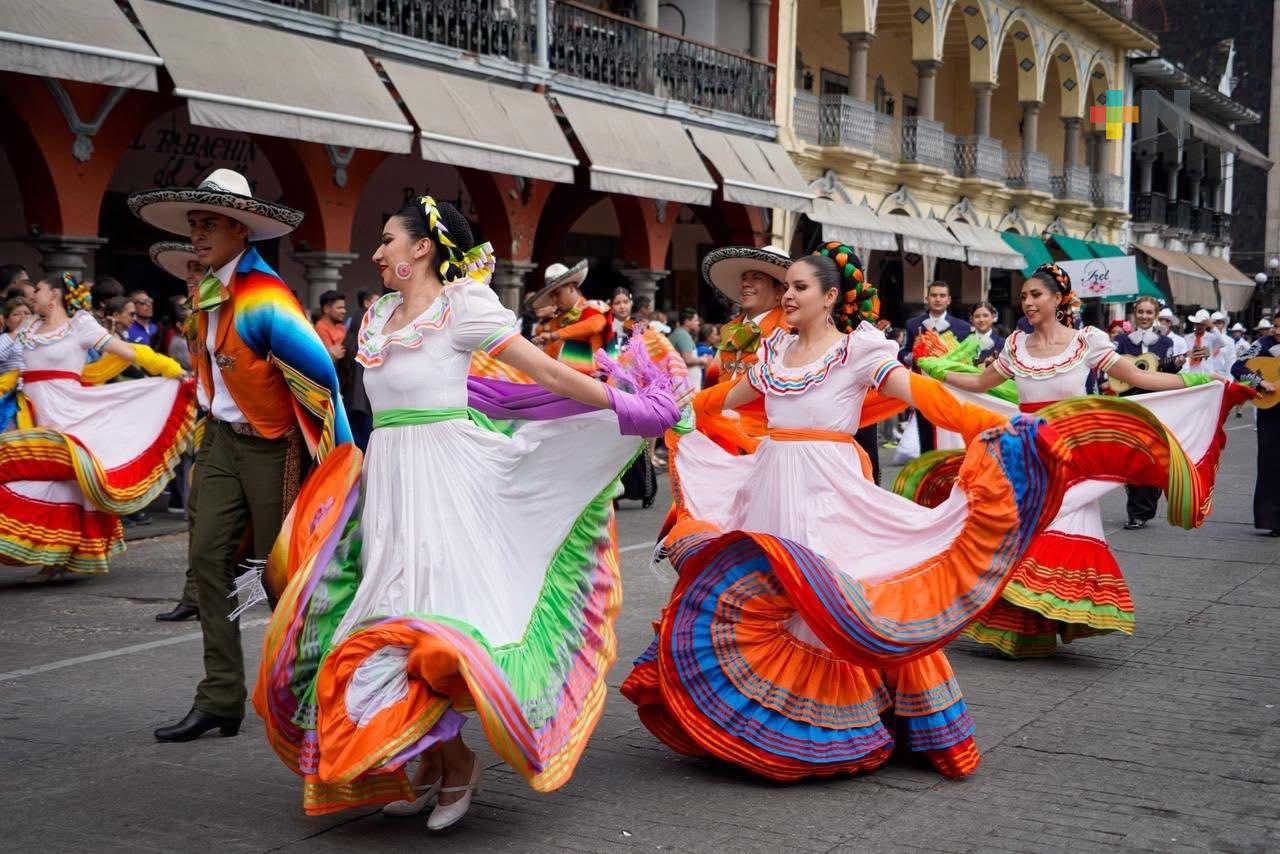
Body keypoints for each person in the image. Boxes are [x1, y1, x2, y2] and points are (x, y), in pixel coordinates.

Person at [623, 246, 1147, 782]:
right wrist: (665, 407)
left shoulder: (858, 351)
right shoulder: (774, 349)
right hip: (769, 485)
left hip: (827, 490)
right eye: (788, 288)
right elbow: (720, 399)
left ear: (829, 297)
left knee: (834, 597)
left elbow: (922, 394)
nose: (789, 296)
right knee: (769, 595)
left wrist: (980, 427)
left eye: (801, 287)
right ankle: (745, 724)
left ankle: (826, 733)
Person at [253, 196, 680, 827]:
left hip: (451, 483)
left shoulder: (466, 307)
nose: (377, 251)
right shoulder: (379, 316)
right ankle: (429, 758)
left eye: (388, 238)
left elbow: (548, 376)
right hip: (391, 485)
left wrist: (628, 408)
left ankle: (452, 763)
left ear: (422, 247)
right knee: (376, 623)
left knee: (434, 624)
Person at [128, 168, 352, 742]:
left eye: (210, 224)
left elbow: (321, 380)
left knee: (286, 578)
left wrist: (338, 466)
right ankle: (221, 697)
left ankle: (308, 693)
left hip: (271, 449)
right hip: (222, 442)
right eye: (195, 223)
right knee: (206, 561)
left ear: (240, 231)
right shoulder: (209, 289)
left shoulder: (266, 298)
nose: (197, 234)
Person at [924, 263, 1243, 657]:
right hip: (1024, 457)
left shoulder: (1086, 341)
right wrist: (933, 372)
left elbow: (1139, 380)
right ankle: (1025, 631)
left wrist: (1199, 381)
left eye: (1036, 295)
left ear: (1058, 299)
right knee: (1020, 537)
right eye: (1024, 296)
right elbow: (978, 383)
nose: (1027, 302)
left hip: (1071, 457)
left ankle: (1048, 619)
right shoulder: (1015, 346)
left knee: (1056, 535)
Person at [0, 275, 191, 581]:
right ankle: (48, 551)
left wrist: (171, 369)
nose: (32, 294)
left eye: (39, 289)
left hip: (73, 414)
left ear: (55, 295)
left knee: (70, 482)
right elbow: (18, 373)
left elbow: (129, 352)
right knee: (32, 478)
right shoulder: (28, 328)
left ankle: (58, 557)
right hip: (32, 414)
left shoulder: (81, 326)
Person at [1114, 294, 1178, 529]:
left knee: (1153, 456)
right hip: (1130, 404)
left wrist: (1176, 364)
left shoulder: (1166, 344)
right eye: (1140, 312)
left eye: (1149, 312)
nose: (1144, 316)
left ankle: (1145, 507)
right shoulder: (1122, 341)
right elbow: (1111, 368)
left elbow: (1169, 372)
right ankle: (1136, 511)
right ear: (1135, 313)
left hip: (1157, 404)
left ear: (1156, 315)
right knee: (1132, 456)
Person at [900, 281, 971, 452]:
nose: (938, 299)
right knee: (925, 431)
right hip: (923, 386)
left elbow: (968, 358)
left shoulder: (963, 327)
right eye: (934, 295)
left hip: (951, 387)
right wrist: (914, 355)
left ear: (949, 300)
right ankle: (928, 471)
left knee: (953, 431)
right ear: (927, 298)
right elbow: (903, 353)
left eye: (942, 295)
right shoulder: (913, 324)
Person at [1233, 327, 1280, 536]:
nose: (1278, 331)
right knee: (1270, 464)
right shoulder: (1263, 344)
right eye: (1277, 326)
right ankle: (1272, 519)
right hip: (1271, 413)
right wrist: (1260, 382)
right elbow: (1238, 366)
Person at [530, 259, 612, 372]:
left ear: (571, 287)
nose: (554, 300)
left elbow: (595, 325)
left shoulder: (593, 308)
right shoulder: (555, 322)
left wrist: (556, 335)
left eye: (557, 294)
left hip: (593, 382)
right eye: (552, 296)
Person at [0, 296, 32, 429]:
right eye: (16, 314)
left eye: (27, 313)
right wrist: (17, 332)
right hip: (11, 398)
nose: (23, 317)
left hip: (35, 394)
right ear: (6, 321)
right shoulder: (6, 338)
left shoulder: (40, 338)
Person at [667, 307, 709, 390]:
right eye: (695, 320)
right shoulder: (682, 335)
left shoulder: (681, 333)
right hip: (685, 385)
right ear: (687, 322)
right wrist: (703, 359)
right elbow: (688, 359)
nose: (698, 323)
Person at [1183, 309, 1232, 377]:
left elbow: (1222, 343)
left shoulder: (1211, 337)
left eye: (1203, 324)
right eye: (1198, 324)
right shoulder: (1187, 338)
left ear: (1206, 325)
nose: (1199, 326)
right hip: (1190, 372)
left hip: (1206, 373)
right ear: (1194, 324)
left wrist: (1212, 326)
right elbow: (1183, 355)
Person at [314, 289, 347, 362]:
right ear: (326, 309)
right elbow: (331, 356)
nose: (344, 311)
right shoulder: (320, 328)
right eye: (339, 308)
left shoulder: (341, 326)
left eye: (343, 307)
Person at [969, 300, 1005, 365]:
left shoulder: (1002, 343)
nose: (981, 320)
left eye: (985, 316)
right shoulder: (965, 339)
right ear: (971, 319)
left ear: (993, 317)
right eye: (977, 316)